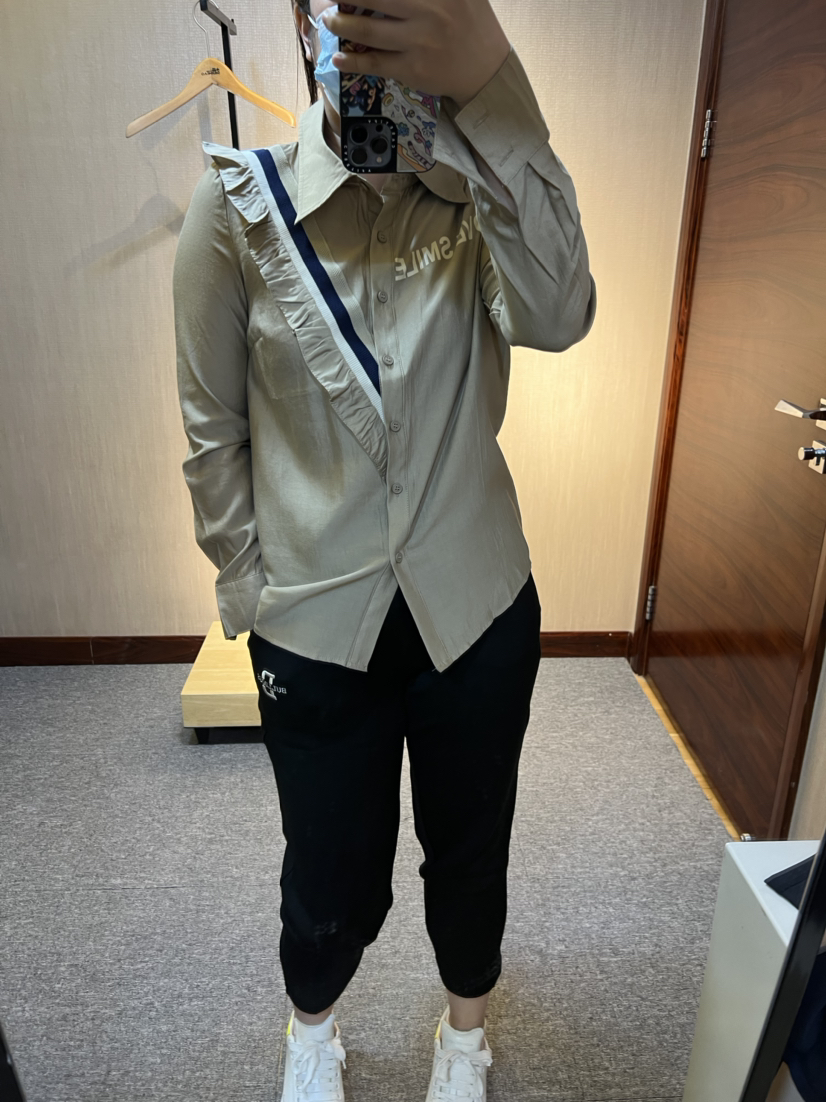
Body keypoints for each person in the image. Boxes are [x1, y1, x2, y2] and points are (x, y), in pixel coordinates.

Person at [173, 1, 596, 1098]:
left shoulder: (477, 192)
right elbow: (213, 432)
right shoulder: (238, 210)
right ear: (305, 20)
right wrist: (250, 587)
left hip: (476, 606)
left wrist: (492, 88)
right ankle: (310, 1030)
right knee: (327, 874)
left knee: (472, 850)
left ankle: (465, 1036)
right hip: (315, 623)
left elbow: (560, 312)